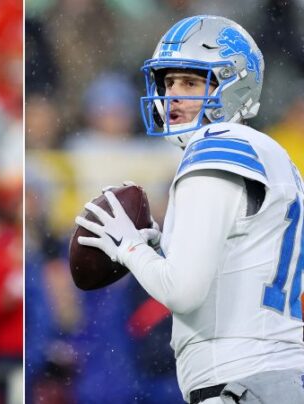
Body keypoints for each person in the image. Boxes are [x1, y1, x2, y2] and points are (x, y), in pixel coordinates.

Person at [75, 15, 304, 404]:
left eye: (191, 82)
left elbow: (183, 292)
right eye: (169, 82)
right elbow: (235, 266)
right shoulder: (271, 153)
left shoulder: (215, 147)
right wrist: (161, 245)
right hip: (276, 376)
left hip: (241, 380)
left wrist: (129, 247)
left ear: (233, 85)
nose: (174, 95)